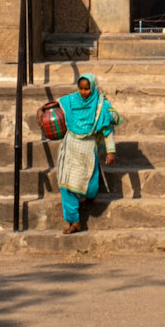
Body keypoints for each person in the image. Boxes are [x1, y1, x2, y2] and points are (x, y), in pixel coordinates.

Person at [55, 72, 119, 233]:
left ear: (93, 87)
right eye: (81, 88)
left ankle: (88, 197)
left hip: (87, 150)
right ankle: (74, 221)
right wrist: (41, 111)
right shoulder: (71, 101)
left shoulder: (100, 106)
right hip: (69, 148)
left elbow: (107, 129)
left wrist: (111, 151)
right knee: (66, 185)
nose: (83, 92)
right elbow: (54, 106)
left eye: (87, 89)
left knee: (90, 186)